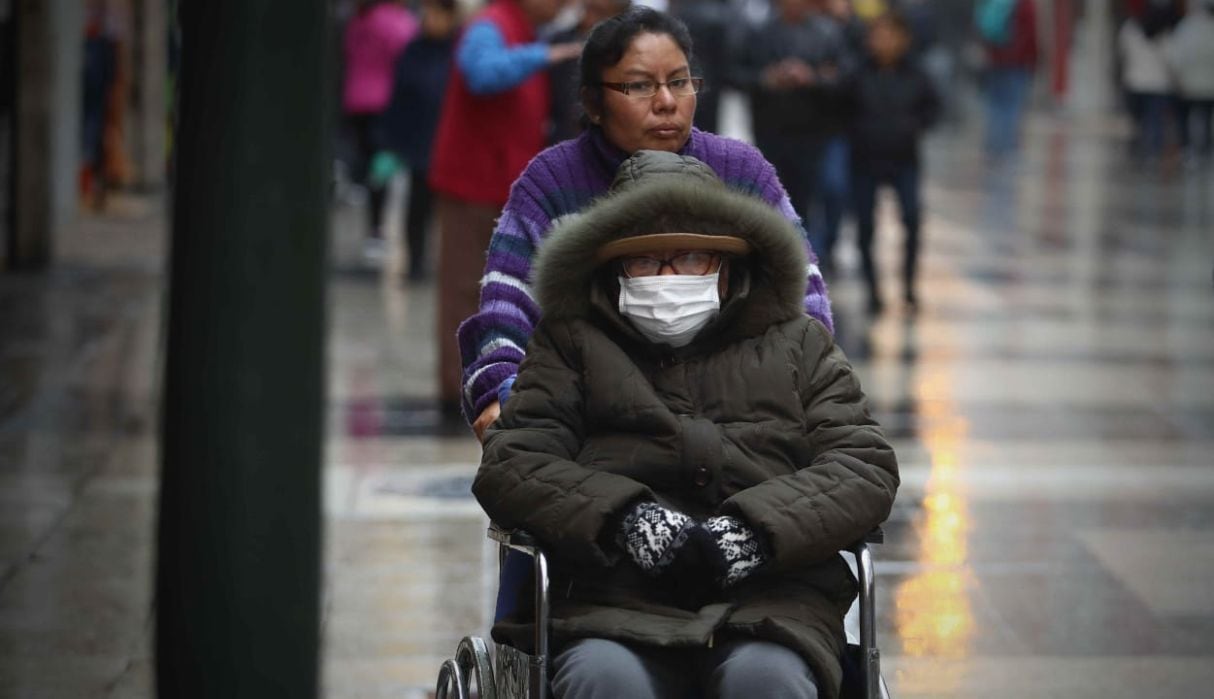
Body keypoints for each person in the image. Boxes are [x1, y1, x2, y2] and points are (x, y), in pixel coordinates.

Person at [472, 149, 899, 699]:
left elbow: (864, 465)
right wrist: (626, 518)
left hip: (771, 604)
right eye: (647, 262)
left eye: (692, 258)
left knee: (767, 683)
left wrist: (757, 532)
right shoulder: (570, 344)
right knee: (606, 683)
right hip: (610, 604)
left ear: (728, 265)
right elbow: (513, 463)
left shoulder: (799, 344)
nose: (668, 277)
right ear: (612, 269)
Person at [457, 6, 834, 441]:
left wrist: (803, 388)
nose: (667, 102)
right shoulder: (551, 184)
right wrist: (501, 390)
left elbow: (805, 295)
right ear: (593, 103)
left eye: (679, 81)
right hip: (592, 422)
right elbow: (507, 305)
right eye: (639, 86)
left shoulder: (741, 173)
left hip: (735, 419)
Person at [428, 0, 583, 420]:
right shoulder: (492, 24)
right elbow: (481, 73)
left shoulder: (525, 28)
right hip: (473, 185)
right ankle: (459, 397)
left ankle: (494, 387)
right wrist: (544, 56)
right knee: (465, 291)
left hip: (502, 184)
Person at [728, 0, 857, 274]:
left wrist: (812, 78)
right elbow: (735, 74)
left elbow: (846, 77)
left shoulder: (827, 34)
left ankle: (811, 258)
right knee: (773, 198)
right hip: (771, 131)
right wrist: (767, 79)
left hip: (813, 133)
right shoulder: (759, 33)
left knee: (814, 198)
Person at [848, 11, 939, 314]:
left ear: (904, 39)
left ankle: (909, 286)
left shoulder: (917, 73)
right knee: (864, 225)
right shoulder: (858, 72)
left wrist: (913, 126)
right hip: (865, 158)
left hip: (904, 159)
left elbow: (935, 108)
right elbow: (838, 107)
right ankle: (872, 288)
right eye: (877, 35)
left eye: (890, 35)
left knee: (912, 218)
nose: (883, 42)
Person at [372, 0, 460, 281]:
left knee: (447, 211)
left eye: (436, 13)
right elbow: (400, 97)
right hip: (418, 141)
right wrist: (390, 140)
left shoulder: (458, 52)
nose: (430, 19)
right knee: (417, 206)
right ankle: (416, 261)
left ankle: (445, 263)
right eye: (427, 13)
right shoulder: (413, 50)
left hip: (448, 143)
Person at [341, 0, 419, 261]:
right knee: (381, 167)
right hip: (384, 103)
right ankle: (376, 231)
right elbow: (410, 54)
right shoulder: (396, 22)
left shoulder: (360, 20)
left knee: (369, 164)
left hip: (356, 100)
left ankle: (373, 228)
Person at [547, 0, 633, 144]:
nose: (589, 18)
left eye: (600, 13)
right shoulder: (560, 43)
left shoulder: (627, 53)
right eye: (588, 8)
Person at [974, 0, 1037, 158]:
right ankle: (1007, 147)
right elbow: (1031, 34)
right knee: (1011, 105)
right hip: (1016, 62)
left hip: (994, 58)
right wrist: (1033, 60)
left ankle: (992, 145)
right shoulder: (1025, 5)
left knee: (994, 104)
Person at [1117, 1, 1179, 161]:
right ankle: (1152, 153)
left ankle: (1139, 151)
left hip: (1135, 82)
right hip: (1159, 85)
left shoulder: (1130, 29)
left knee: (1139, 122)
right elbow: (1171, 59)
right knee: (1155, 122)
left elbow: (1123, 53)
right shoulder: (1166, 33)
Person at [1165, 0, 1214, 164]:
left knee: (1185, 118)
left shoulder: (1185, 28)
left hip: (1189, 83)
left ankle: (1187, 149)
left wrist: (1176, 78)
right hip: (1208, 84)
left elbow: (1175, 56)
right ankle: (1204, 150)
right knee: (1206, 118)